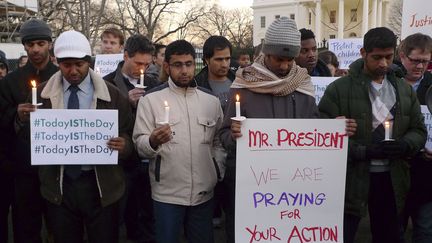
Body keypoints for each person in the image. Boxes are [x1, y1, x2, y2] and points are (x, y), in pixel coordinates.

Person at [218, 16, 356, 243]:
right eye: (278, 59)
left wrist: (334, 129)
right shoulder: (245, 84)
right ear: (265, 53)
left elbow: (311, 131)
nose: (284, 66)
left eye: (289, 59)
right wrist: (233, 134)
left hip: (296, 187)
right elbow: (223, 135)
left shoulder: (302, 83)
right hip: (254, 188)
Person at [19, 30, 133, 243]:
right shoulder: (41, 95)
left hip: (102, 188)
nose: (72, 71)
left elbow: (129, 136)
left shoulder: (114, 95)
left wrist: (124, 145)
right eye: (66, 65)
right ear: (57, 61)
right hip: (59, 188)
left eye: (79, 65)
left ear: (88, 62)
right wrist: (22, 120)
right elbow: (30, 141)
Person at [318, 27, 427, 243]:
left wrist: (405, 145)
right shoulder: (339, 89)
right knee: (343, 235)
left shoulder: (404, 90)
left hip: (392, 179)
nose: (384, 64)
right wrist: (361, 151)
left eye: (388, 57)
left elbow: (419, 130)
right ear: (363, 53)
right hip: (352, 180)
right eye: (377, 57)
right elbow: (321, 135)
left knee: (388, 236)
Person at [133, 39, 224, 243]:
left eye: (189, 64)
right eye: (177, 65)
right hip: (167, 196)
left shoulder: (210, 101)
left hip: (203, 194)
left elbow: (218, 141)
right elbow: (139, 143)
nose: (184, 70)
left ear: (196, 64)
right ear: (167, 66)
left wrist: (217, 169)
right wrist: (153, 141)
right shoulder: (150, 100)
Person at [0, 18, 58, 243]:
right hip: (23, 170)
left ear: (49, 44)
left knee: (60, 226)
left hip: (56, 167)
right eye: (30, 44)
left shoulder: (61, 77)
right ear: (24, 46)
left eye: (41, 43)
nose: (35, 49)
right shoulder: (10, 82)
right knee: (26, 227)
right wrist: (17, 116)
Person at [104, 34, 159, 243]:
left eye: (147, 63)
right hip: (121, 164)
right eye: (138, 63)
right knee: (116, 217)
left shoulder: (154, 83)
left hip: (148, 160)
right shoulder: (107, 83)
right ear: (125, 56)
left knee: (148, 217)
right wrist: (125, 103)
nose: (142, 68)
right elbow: (101, 123)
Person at [398, 33, 432, 243]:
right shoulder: (387, 83)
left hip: (427, 174)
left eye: (425, 61)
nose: (420, 66)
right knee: (393, 230)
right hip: (396, 169)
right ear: (402, 56)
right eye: (415, 60)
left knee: (426, 230)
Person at [195, 35, 236, 109]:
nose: (224, 64)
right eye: (219, 59)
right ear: (207, 60)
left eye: (227, 59)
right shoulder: (196, 85)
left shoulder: (238, 81)